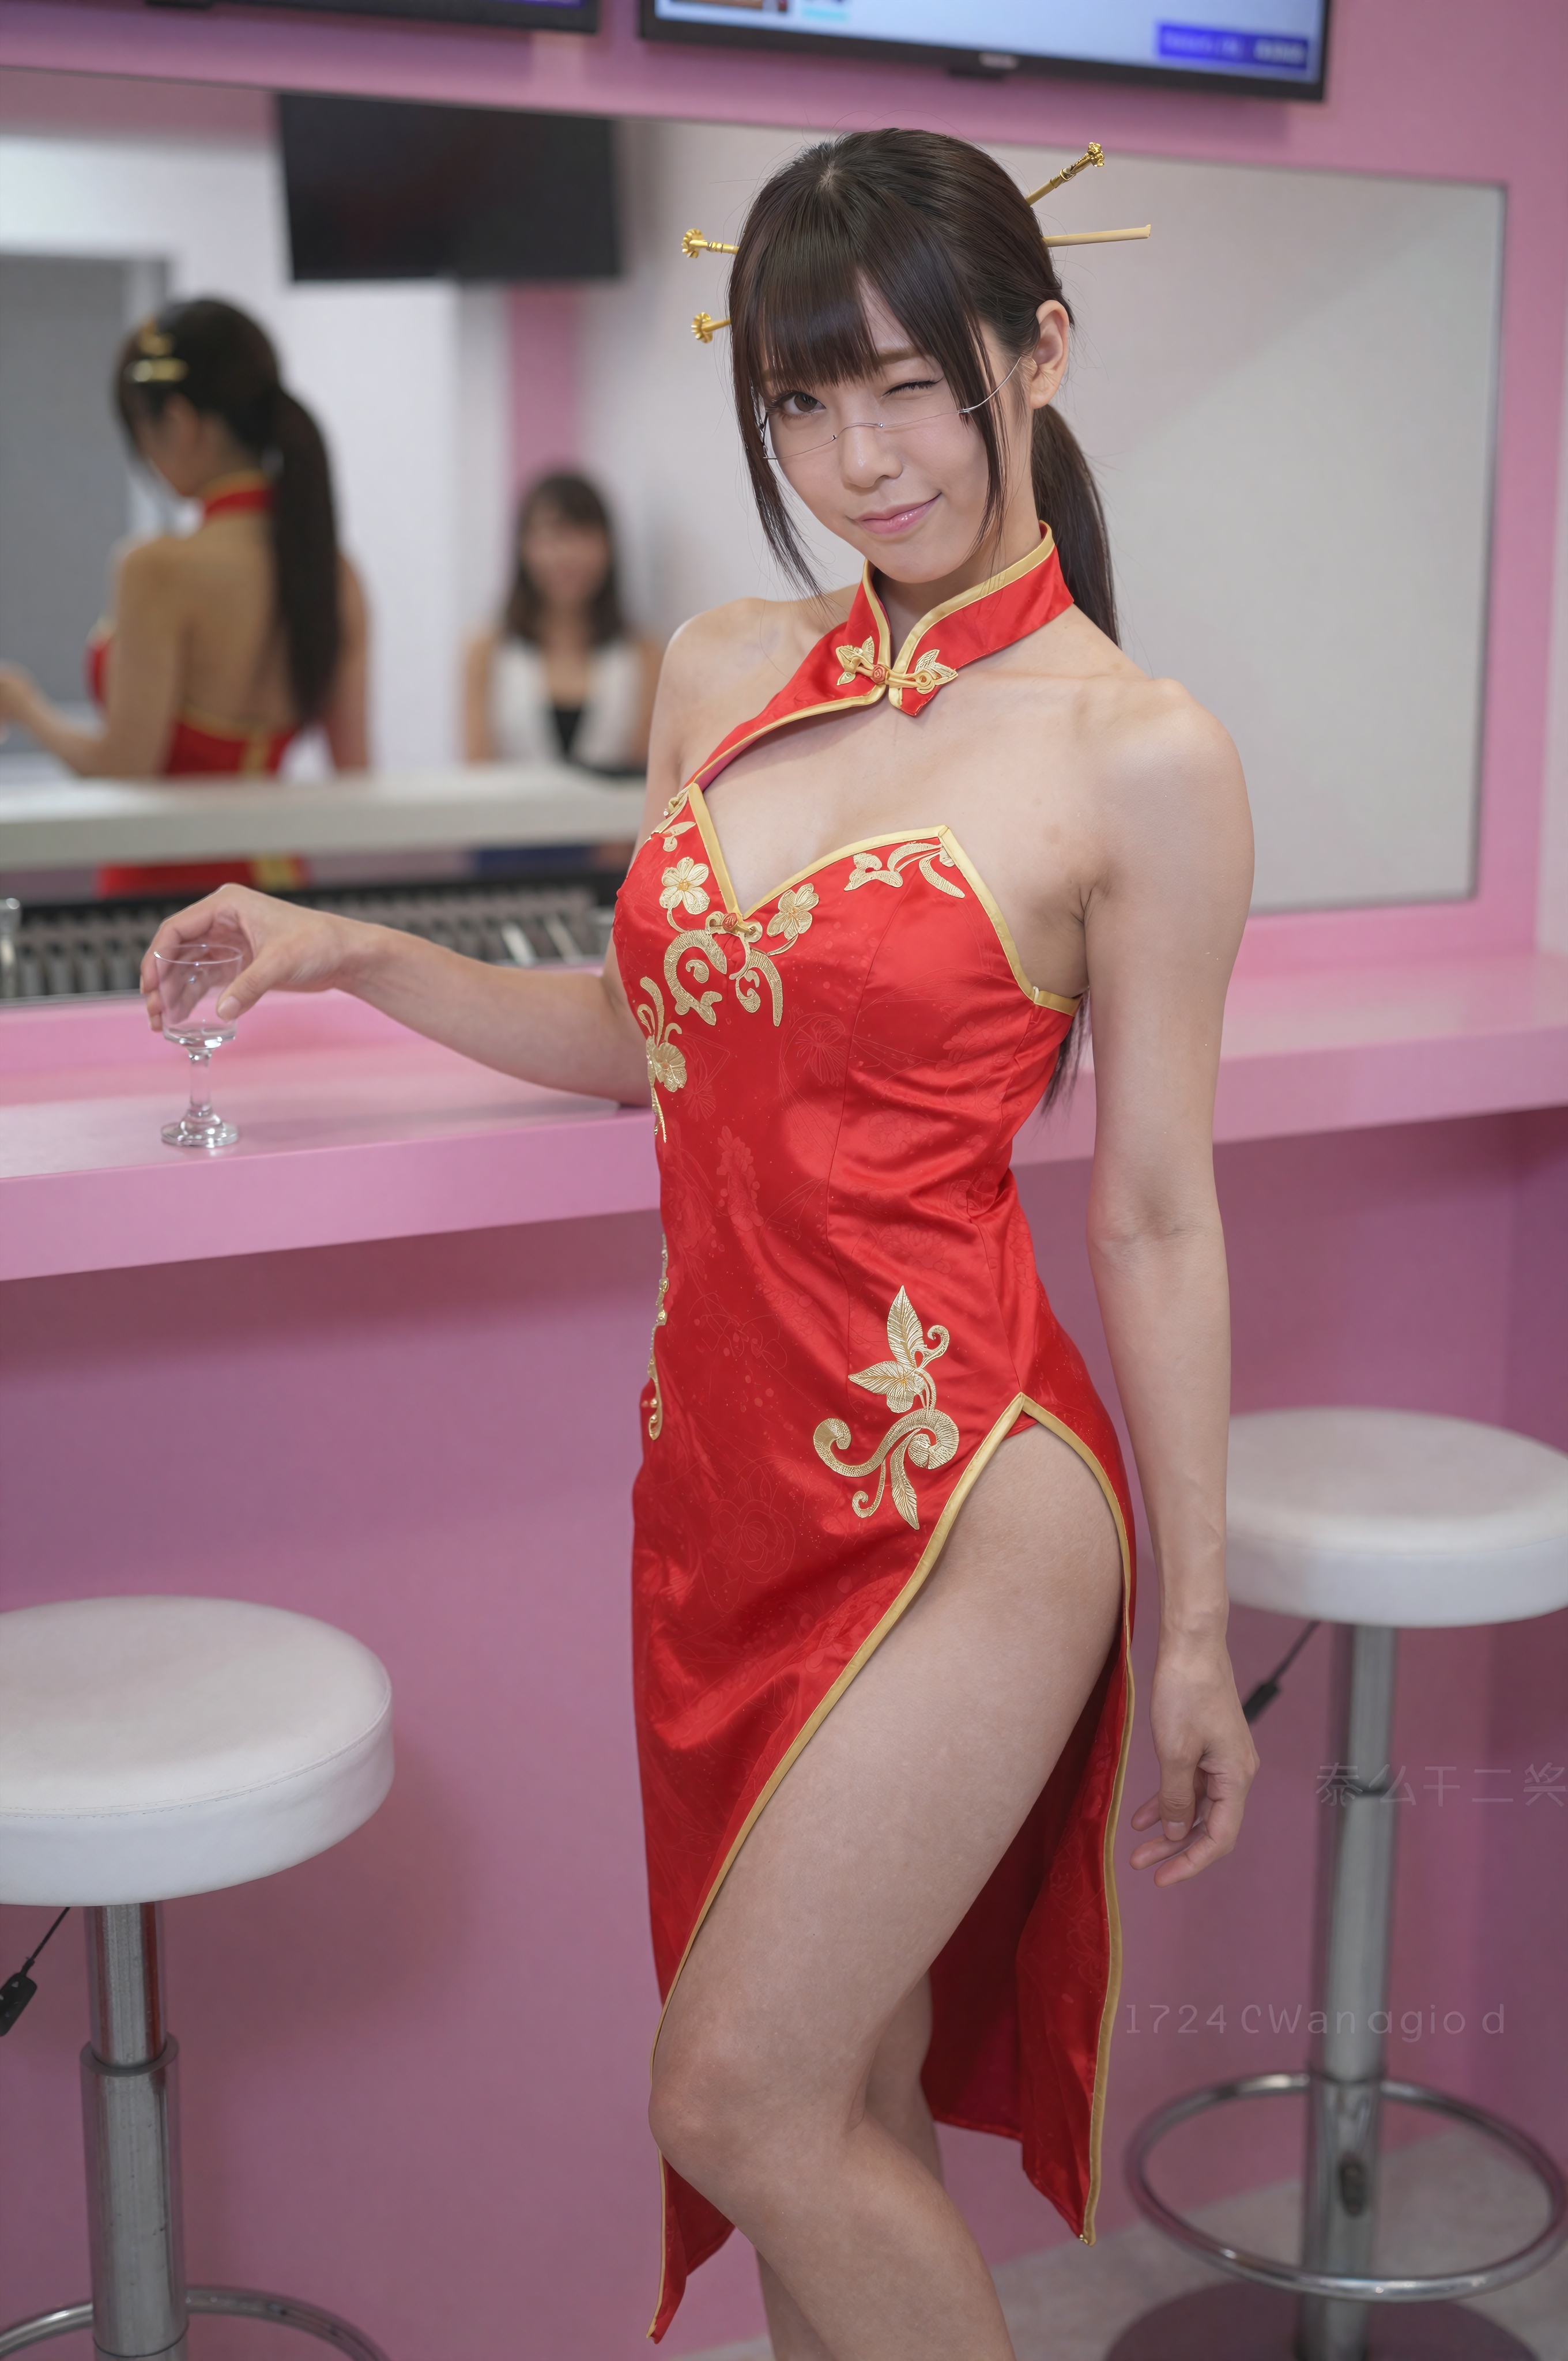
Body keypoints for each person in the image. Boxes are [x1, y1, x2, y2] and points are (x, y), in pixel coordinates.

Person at [142, 128, 1258, 2361]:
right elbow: (661, 1039)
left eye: (913, 386)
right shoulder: (721, 666)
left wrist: (1201, 1630)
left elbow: (1150, 1207)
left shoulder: (1142, 754)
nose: (863, 459)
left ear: (1038, 351)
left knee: (731, 2089)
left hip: (962, 1489)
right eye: (802, 402)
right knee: (827, 2098)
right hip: (718, 1478)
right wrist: (350, 948)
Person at [0, 296, 368, 898]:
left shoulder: (157, 568)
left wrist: (24, 703)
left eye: (141, 433)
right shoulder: (334, 572)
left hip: (161, 897)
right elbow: (356, 775)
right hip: (282, 897)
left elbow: (125, 768)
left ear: (179, 421)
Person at [462, 470, 660, 774]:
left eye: (583, 536)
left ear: (608, 547)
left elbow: (646, 776)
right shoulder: (485, 652)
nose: (568, 554)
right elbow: (478, 774)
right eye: (552, 537)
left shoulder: (645, 656)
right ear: (524, 546)